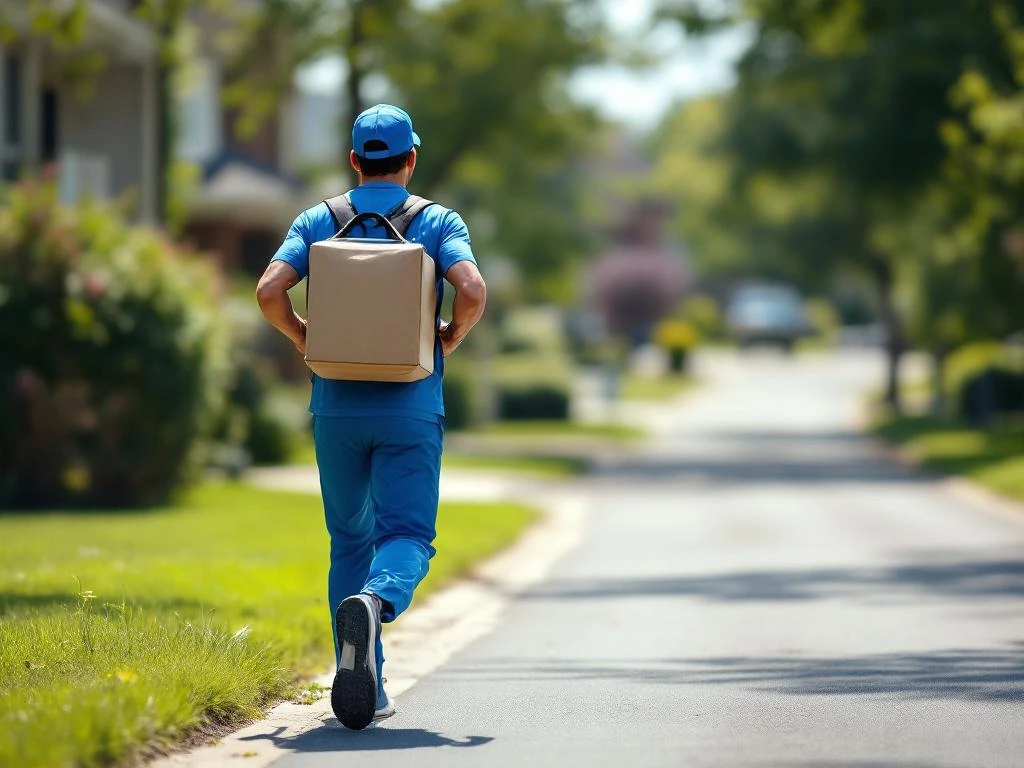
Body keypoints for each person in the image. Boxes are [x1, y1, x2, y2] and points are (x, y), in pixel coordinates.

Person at [256, 104, 487, 730]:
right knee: (408, 536)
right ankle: (377, 599)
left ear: (355, 160)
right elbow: (471, 290)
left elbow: (269, 292)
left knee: (349, 540)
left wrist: (304, 338)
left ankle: (369, 683)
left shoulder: (317, 219)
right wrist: (451, 337)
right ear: (411, 159)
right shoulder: (437, 221)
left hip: (335, 406)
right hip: (411, 405)